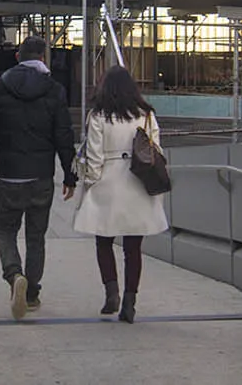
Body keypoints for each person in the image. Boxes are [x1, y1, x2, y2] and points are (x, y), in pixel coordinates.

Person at [0, 35, 77, 321]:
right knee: (36, 237)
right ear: (43, 58)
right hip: (42, 177)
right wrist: (70, 174)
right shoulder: (55, 90)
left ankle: (14, 274)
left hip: (9, 176)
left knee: (5, 231)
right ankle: (31, 294)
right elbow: (64, 136)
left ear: (18, 57)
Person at [70, 63, 169, 323]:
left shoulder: (98, 115)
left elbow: (94, 157)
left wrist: (89, 185)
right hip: (137, 182)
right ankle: (130, 301)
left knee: (103, 240)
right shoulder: (145, 114)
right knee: (133, 248)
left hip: (108, 182)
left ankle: (111, 291)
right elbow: (156, 149)